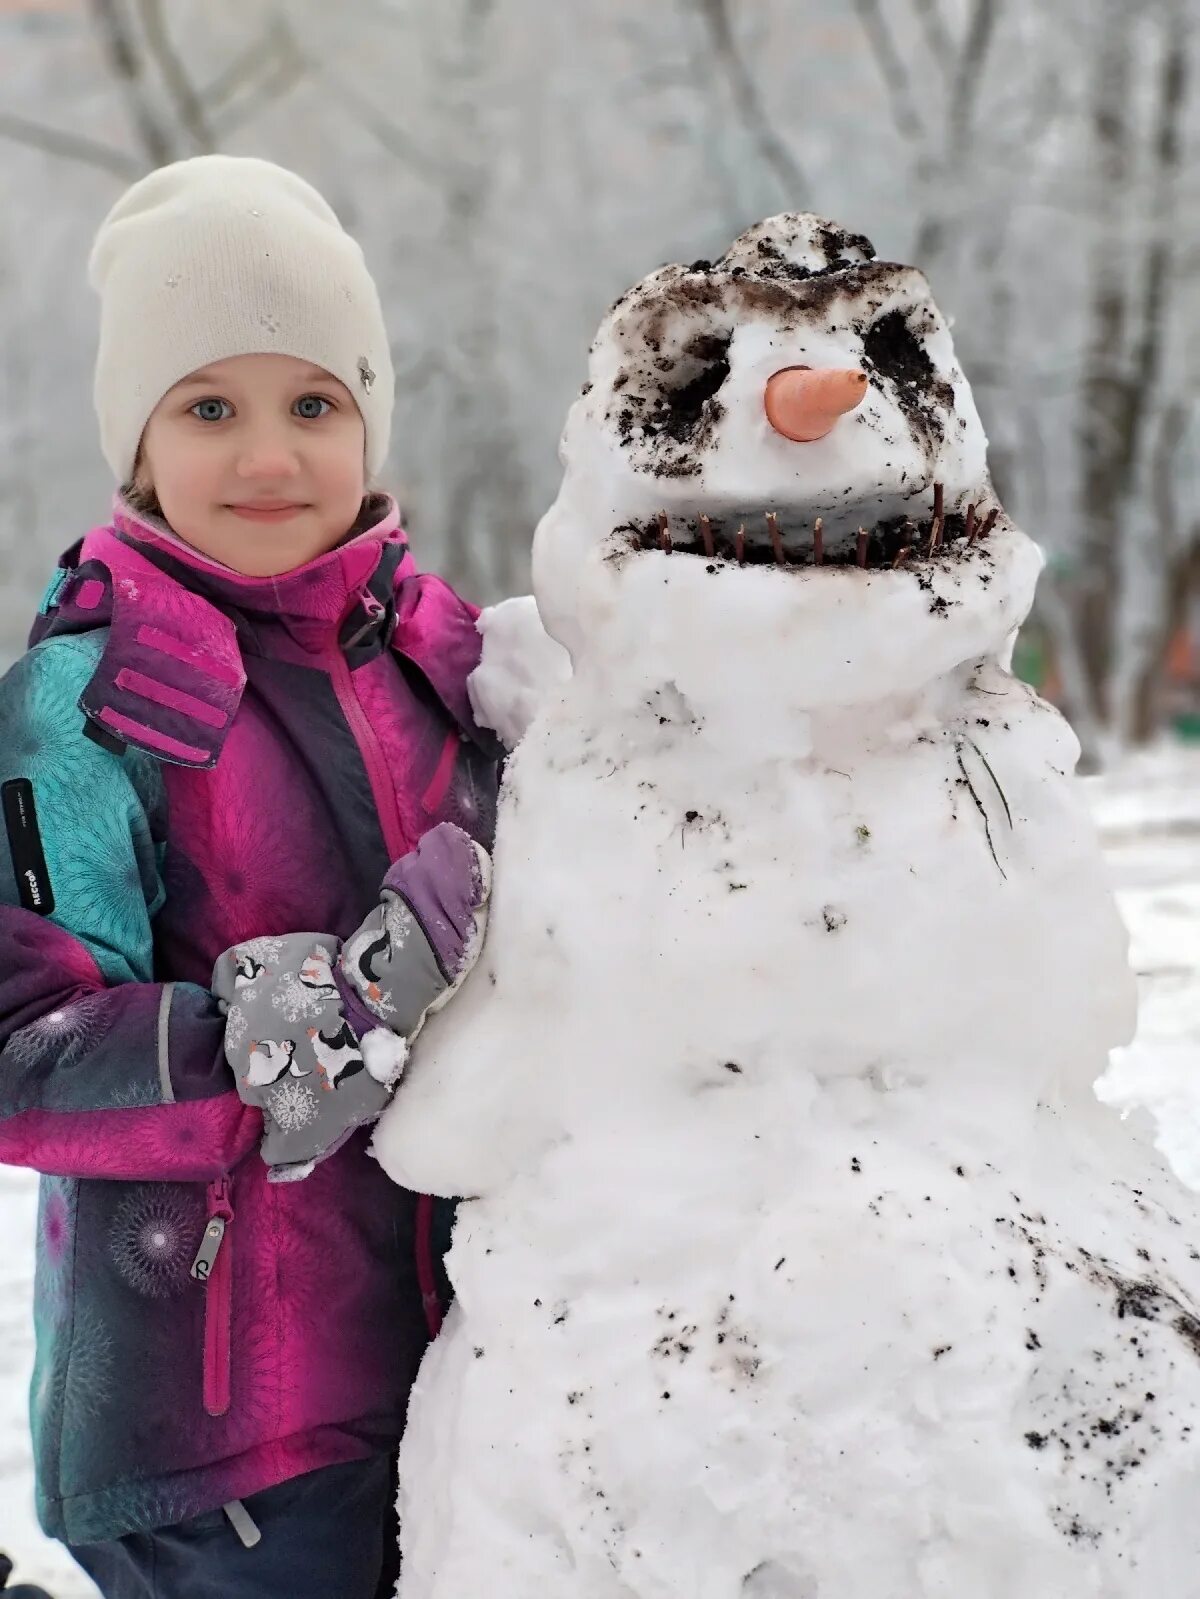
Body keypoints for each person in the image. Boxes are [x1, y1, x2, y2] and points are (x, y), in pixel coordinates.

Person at [0, 155, 501, 1599]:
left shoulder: (446, 659)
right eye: (210, 407)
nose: (270, 457)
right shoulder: (91, 703)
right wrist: (342, 1010)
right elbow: (24, 1056)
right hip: (223, 1441)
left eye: (314, 404)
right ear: (139, 441)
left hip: (460, 1376)